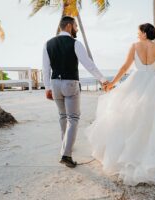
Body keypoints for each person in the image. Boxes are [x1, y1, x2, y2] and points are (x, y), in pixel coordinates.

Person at [85, 23, 155, 186]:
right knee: (149, 119)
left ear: (145, 34)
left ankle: (131, 154)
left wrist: (113, 83)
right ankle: (147, 153)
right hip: (152, 84)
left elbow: (125, 67)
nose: (137, 34)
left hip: (137, 81)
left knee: (131, 116)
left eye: (139, 32)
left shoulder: (135, 46)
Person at [42, 16, 109, 168]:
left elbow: (45, 69)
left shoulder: (48, 43)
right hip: (70, 83)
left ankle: (65, 145)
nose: (77, 29)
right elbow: (89, 65)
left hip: (55, 84)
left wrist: (47, 88)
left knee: (62, 116)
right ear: (69, 26)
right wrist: (103, 80)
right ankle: (66, 154)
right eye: (76, 26)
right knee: (73, 118)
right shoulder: (75, 43)